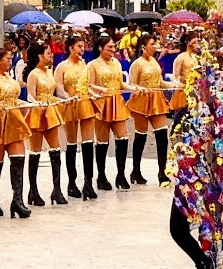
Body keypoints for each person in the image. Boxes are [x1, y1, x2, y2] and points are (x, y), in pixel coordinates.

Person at [0, 47, 33, 218]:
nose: (9, 62)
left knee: (18, 159)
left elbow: (13, 98)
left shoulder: (8, 77)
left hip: (13, 121)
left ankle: (17, 200)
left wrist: (26, 104)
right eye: (7, 59)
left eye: (11, 59)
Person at [127, 32, 180, 186]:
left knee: (162, 134)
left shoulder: (155, 62)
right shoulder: (137, 63)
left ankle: (162, 171)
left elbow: (160, 81)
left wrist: (175, 85)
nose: (155, 46)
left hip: (156, 100)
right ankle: (136, 170)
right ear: (144, 46)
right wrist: (137, 89)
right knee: (141, 136)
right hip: (141, 101)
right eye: (152, 44)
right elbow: (132, 83)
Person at [90, 34, 139, 191]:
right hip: (101, 104)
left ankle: (121, 174)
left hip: (117, 102)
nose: (113, 50)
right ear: (100, 48)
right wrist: (99, 91)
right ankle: (101, 176)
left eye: (114, 47)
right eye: (109, 47)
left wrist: (133, 88)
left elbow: (120, 83)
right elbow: (88, 85)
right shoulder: (92, 65)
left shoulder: (116, 63)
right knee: (102, 141)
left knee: (123, 138)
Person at [22, 42, 67, 205]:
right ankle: (33, 191)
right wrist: (38, 104)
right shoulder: (33, 74)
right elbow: (30, 97)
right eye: (48, 53)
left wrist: (64, 99)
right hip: (37, 114)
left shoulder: (50, 72)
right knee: (35, 152)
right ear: (40, 56)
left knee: (55, 150)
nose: (51, 56)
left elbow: (52, 93)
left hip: (51, 112)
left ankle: (57, 190)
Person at [53, 32, 97, 199]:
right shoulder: (62, 66)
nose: (82, 50)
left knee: (87, 142)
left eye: (83, 47)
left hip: (85, 104)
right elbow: (59, 88)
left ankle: (88, 183)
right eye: (79, 47)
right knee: (71, 143)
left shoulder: (85, 66)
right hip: (70, 105)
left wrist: (93, 94)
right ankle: (72, 183)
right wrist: (67, 97)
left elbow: (87, 86)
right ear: (71, 48)